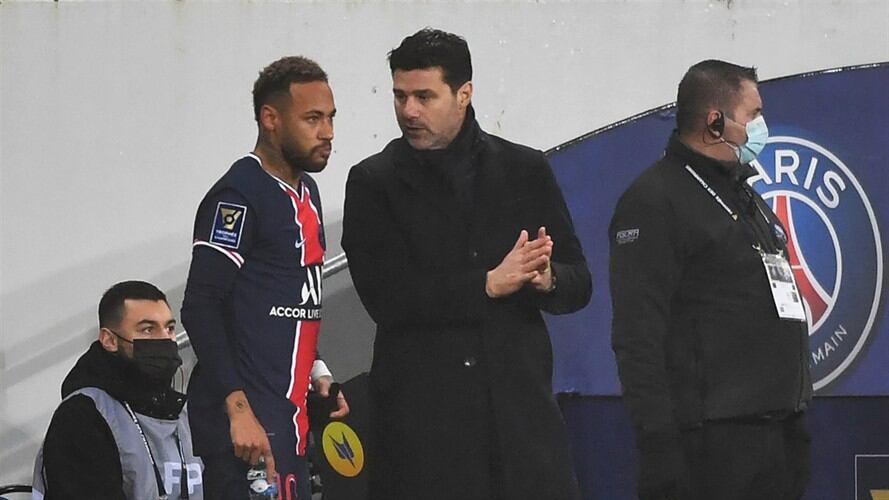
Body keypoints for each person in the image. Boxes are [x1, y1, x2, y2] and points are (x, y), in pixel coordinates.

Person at [342, 28, 592, 500]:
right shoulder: (373, 183)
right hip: (425, 433)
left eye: (423, 96)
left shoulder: (525, 169)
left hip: (520, 427)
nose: (408, 111)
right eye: (399, 96)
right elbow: (386, 298)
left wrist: (548, 277)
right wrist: (486, 285)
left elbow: (580, 282)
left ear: (464, 94)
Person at [609, 60, 813, 500]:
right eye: (754, 114)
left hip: (777, 434)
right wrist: (658, 444)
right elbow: (636, 335)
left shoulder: (744, 193)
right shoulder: (654, 200)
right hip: (710, 443)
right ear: (715, 121)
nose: (763, 125)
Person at [181, 56, 348, 500]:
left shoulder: (307, 191)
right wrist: (238, 410)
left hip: (288, 415)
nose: (327, 131)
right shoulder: (236, 198)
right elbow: (200, 305)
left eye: (331, 118)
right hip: (245, 427)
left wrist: (318, 371)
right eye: (312, 118)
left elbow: (298, 297)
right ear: (270, 119)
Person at [32, 280, 203, 499]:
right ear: (109, 340)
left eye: (169, 328)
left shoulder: (185, 411)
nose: (164, 339)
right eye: (148, 329)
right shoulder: (81, 416)